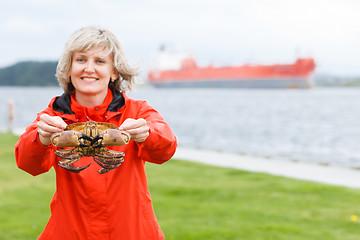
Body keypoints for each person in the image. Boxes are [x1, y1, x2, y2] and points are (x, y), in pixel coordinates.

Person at [15, 26, 177, 240]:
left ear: (114, 72)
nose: (89, 69)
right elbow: (28, 163)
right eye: (81, 60)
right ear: (69, 68)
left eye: (100, 61)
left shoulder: (137, 112)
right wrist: (41, 138)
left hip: (133, 231)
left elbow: (166, 149)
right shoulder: (54, 116)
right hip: (70, 231)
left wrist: (149, 134)